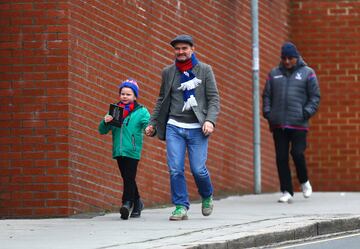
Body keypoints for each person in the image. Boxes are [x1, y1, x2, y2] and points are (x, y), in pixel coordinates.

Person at [145, 34, 220, 220]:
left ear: (192, 49)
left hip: (198, 128)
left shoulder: (204, 70)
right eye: (177, 49)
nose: (180, 52)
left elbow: (214, 99)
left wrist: (210, 121)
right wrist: (153, 123)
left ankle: (207, 195)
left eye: (184, 48)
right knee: (175, 168)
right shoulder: (168, 72)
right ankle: (180, 206)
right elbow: (162, 99)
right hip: (174, 126)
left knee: (198, 169)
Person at [262, 42, 321, 203]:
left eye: (290, 58)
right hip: (278, 123)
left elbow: (315, 97)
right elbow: (267, 95)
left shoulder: (308, 73)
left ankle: (304, 181)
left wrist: (306, 112)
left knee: (297, 153)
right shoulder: (274, 74)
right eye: (284, 58)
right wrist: (268, 112)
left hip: (298, 123)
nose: (287, 61)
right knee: (281, 157)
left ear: (296, 58)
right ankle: (287, 191)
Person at [98, 79, 150, 219]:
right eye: (122, 94)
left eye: (128, 94)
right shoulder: (116, 110)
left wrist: (149, 129)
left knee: (129, 177)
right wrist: (105, 121)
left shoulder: (141, 111)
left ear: (135, 96)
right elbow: (102, 130)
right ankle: (138, 202)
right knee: (128, 177)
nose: (125, 96)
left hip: (132, 150)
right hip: (119, 150)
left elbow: (147, 125)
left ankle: (127, 203)